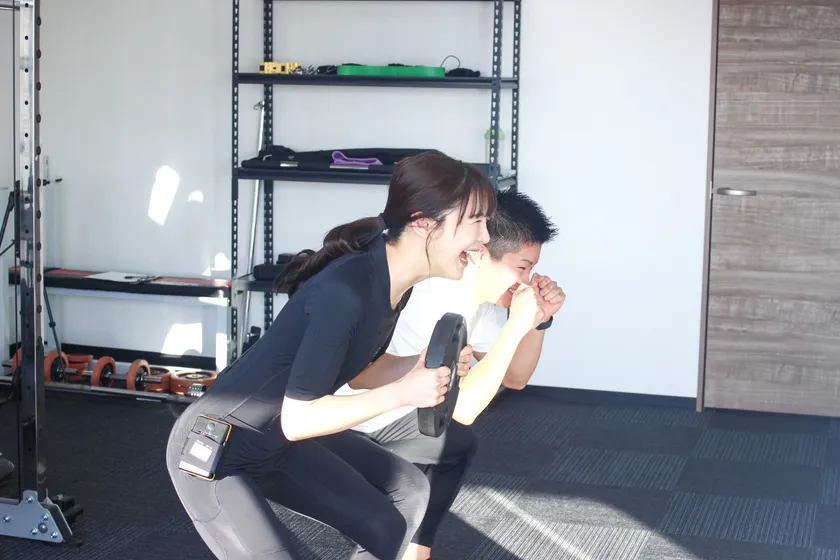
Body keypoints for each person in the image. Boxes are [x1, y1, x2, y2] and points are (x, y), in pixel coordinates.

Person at [164, 150, 502, 560]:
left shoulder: (394, 283)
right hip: (219, 449)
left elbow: (361, 373)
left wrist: (415, 368)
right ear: (423, 223)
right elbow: (299, 418)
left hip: (278, 441)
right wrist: (403, 393)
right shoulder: (345, 293)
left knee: (405, 496)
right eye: (475, 221)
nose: (486, 237)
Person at [335, 188, 563, 560]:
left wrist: (538, 322)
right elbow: (465, 409)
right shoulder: (434, 296)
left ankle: (416, 552)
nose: (527, 281)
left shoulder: (480, 299)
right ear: (481, 253)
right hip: (346, 422)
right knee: (429, 462)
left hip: (392, 414)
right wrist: (516, 324)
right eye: (522, 267)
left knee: (455, 444)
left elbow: (516, 378)